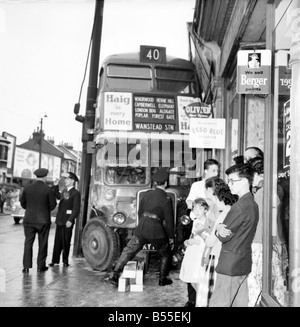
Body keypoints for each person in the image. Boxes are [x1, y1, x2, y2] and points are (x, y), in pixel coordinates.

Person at [105, 167, 174, 287]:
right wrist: (171, 237)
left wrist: (141, 225)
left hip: (141, 228)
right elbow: (169, 221)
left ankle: (115, 275)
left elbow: (139, 212)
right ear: (166, 183)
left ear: (155, 182)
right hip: (156, 231)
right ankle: (162, 279)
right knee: (165, 253)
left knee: (129, 250)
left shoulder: (146, 195)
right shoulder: (166, 199)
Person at [209, 163, 259, 307]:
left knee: (220, 303)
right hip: (243, 261)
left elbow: (224, 235)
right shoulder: (252, 203)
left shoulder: (239, 206)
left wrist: (217, 227)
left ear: (244, 181)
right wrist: (220, 226)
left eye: (232, 180)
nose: (229, 184)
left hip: (230, 264)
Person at [247, 157, 288, 306]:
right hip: (275, 242)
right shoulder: (275, 188)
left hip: (263, 243)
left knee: (258, 288)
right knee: (277, 286)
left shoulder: (264, 191)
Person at [196, 177, 238, 307]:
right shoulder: (233, 210)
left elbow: (210, 242)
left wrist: (202, 233)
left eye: (211, 197)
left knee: (214, 298)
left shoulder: (223, 214)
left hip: (218, 257)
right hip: (230, 258)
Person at [20, 168, 57, 273]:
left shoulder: (27, 188)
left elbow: (23, 203)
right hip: (43, 220)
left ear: (36, 176)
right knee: (43, 243)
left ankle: (26, 266)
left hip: (29, 219)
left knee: (28, 242)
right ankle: (41, 266)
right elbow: (53, 205)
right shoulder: (48, 189)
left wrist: (30, 209)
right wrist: (44, 210)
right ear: (45, 177)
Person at [179, 198, 211, 307]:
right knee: (190, 276)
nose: (196, 211)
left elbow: (205, 239)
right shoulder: (196, 221)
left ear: (206, 210)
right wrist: (188, 242)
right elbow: (193, 235)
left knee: (197, 276)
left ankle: (202, 300)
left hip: (199, 252)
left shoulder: (206, 222)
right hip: (192, 251)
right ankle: (195, 299)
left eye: (200, 208)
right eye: (194, 208)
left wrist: (194, 241)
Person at [49, 172, 81, 267]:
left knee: (66, 241)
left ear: (72, 180)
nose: (65, 180)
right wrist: (55, 186)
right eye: (65, 179)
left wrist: (70, 220)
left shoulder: (76, 193)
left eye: (67, 179)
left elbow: (76, 209)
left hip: (67, 220)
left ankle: (65, 260)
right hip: (60, 220)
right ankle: (55, 260)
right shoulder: (64, 191)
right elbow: (57, 196)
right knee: (57, 241)